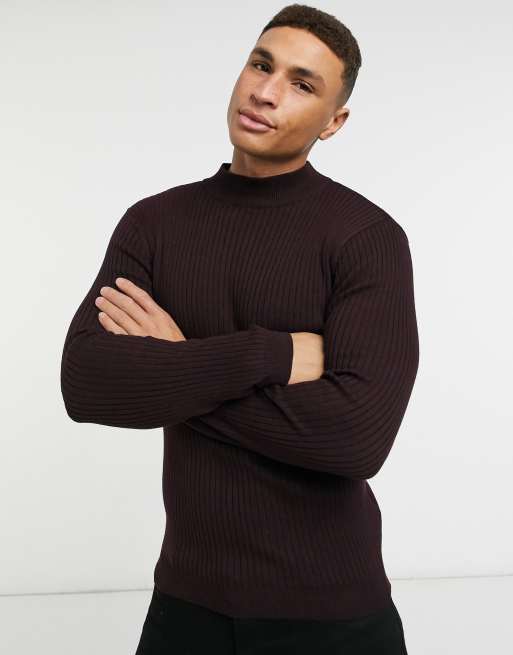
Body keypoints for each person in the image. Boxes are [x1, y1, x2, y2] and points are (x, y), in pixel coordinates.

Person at [60, 4, 418, 654]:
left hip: (332, 617)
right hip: (184, 606)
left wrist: (173, 369)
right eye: (261, 64)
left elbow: (355, 439)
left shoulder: (366, 238)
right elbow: (86, 383)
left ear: (333, 122)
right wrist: (267, 354)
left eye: (301, 84)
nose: (266, 91)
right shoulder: (154, 224)